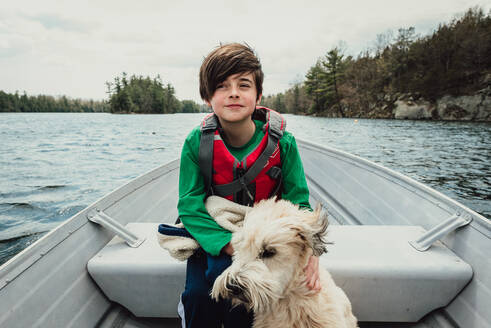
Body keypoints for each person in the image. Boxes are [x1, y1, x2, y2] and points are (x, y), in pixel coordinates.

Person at [177, 43, 321, 328]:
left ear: (258, 95)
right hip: (215, 233)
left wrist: (311, 253)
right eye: (222, 86)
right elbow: (189, 206)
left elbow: (299, 204)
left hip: (264, 241)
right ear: (208, 97)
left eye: (243, 85)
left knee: (245, 305)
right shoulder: (196, 143)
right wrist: (227, 244)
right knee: (197, 296)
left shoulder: (283, 144)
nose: (233, 93)